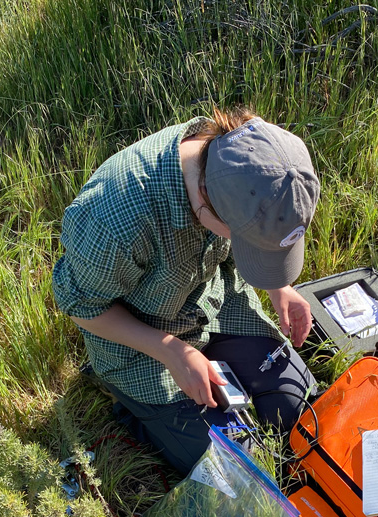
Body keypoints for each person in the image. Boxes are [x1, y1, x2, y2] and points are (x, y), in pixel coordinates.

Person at [53, 108, 321, 473]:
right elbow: (79, 304)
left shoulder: (244, 160)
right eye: (249, 246)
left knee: (304, 411)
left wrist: (279, 288)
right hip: (141, 345)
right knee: (240, 467)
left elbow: (256, 223)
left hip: (216, 301)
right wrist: (174, 353)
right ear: (206, 203)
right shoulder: (116, 218)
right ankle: (139, 412)